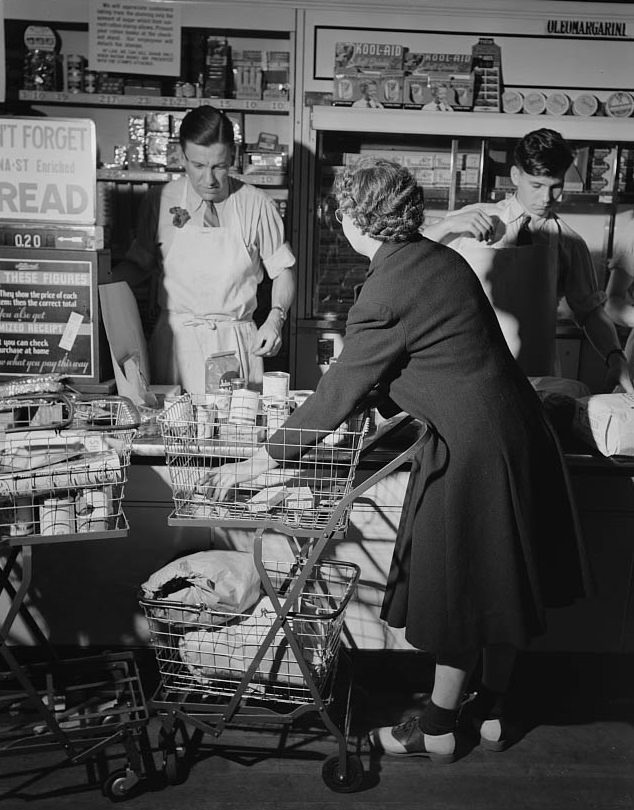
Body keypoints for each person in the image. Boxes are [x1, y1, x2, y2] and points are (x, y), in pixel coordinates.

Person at [205, 158, 592, 764]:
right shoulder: (438, 259)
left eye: (341, 213)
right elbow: (433, 359)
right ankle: (489, 706)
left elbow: (340, 391)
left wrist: (260, 462)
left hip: (473, 446)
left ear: (357, 219)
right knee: (502, 577)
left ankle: (436, 727)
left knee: (460, 584)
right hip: (518, 429)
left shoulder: (387, 286)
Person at [424, 128, 633, 393]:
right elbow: (407, 260)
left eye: (555, 186)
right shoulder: (472, 219)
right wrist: (446, 226)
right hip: (467, 366)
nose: (546, 198)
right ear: (515, 176)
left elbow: (590, 311)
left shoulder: (570, 242)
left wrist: (616, 357)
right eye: (536, 186)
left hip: (536, 374)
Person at [112, 105, 296, 393]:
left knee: (235, 432)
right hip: (176, 344)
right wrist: (93, 286)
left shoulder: (257, 205)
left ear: (232, 157)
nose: (208, 179)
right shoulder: (159, 201)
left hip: (235, 342)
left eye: (219, 166)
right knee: (170, 432)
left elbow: (283, 271)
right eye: (198, 166)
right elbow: (138, 265)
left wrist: (275, 318)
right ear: (182, 156)